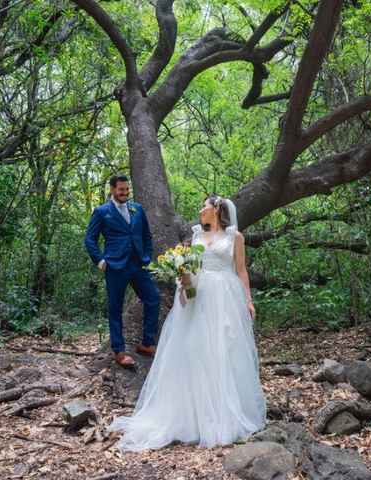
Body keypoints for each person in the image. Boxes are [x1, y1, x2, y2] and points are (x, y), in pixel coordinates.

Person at [109, 195, 266, 451]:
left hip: (225, 297)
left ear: (216, 209)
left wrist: (248, 300)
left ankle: (223, 415)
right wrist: (183, 280)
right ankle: (192, 416)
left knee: (223, 350)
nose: (200, 209)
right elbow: (191, 268)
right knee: (195, 350)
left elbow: (241, 271)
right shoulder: (196, 236)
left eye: (204, 206)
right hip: (199, 297)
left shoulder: (235, 237)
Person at [84, 175, 160, 367]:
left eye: (127, 189)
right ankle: (119, 351)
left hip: (138, 264)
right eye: (121, 190)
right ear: (112, 189)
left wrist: (147, 256)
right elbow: (90, 239)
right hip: (115, 266)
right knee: (115, 308)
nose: (125, 193)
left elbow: (146, 236)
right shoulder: (102, 212)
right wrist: (100, 261)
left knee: (153, 298)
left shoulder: (138, 209)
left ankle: (147, 343)